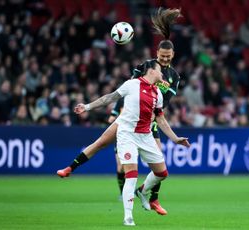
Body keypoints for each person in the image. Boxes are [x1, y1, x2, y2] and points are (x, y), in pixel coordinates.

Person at [57, 7, 182, 215]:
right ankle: (69, 168)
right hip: (128, 118)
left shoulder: (174, 77)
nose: (165, 59)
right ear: (157, 53)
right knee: (100, 143)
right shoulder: (147, 66)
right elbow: (125, 91)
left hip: (150, 121)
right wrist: (116, 112)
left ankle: (153, 198)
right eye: (162, 56)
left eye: (168, 56)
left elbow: (163, 103)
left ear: (173, 55)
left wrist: (157, 121)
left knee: (159, 162)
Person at [73, 61, 190, 226]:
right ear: (150, 71)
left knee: (162, 173)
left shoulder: (158, 92)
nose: (162, 74)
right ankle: (128, 217)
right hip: (127, 133)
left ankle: (142, 192)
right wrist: (87, 106)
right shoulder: (131, 84)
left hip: (145, 135)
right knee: (130, 174)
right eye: (159, 70)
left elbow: (161, 120)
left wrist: (175, 138)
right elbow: (109, 98)